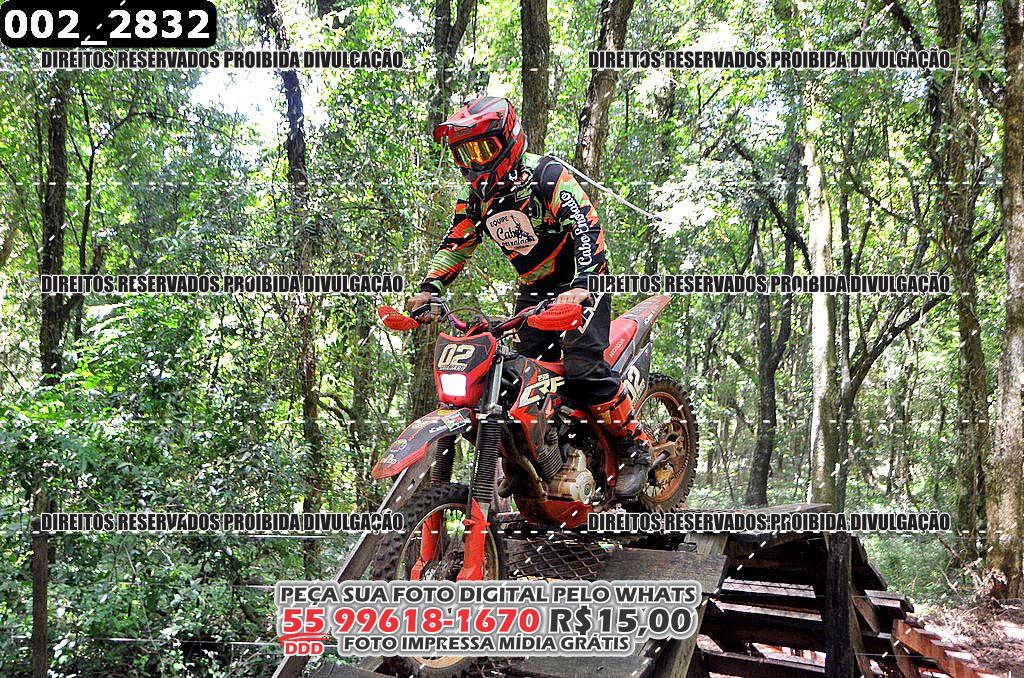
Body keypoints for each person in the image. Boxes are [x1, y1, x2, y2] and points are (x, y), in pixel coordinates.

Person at [405, 95, 652, 499]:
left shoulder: (546, 176)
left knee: (582, 366)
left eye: (482, 149)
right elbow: (456, 244)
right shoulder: (476, 198)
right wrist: (430, 288)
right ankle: (534, 462)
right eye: (465, 152)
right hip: (534, 292)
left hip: (584, 283)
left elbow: (585, 226)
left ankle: (633, 449)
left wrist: (583, 283)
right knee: (522, 378)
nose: (475, 161)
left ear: (509, 139)